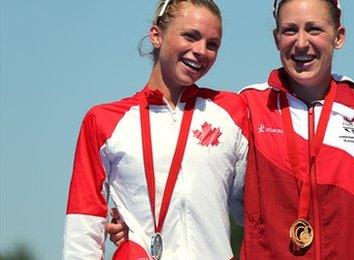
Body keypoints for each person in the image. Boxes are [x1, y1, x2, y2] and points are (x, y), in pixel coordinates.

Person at [62, 0, 249, 259]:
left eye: (212, 44)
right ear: (156, 35)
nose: (201, 51)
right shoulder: (104, 121)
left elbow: (252, 209)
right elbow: (83, 223)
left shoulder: (232, 111)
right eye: (190, 36)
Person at [239, 0, 354, 259]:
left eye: (314, 29)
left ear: (339, 36)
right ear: (276, 39)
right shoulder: (250, 105)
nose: (301, 42)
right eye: (289, 30)